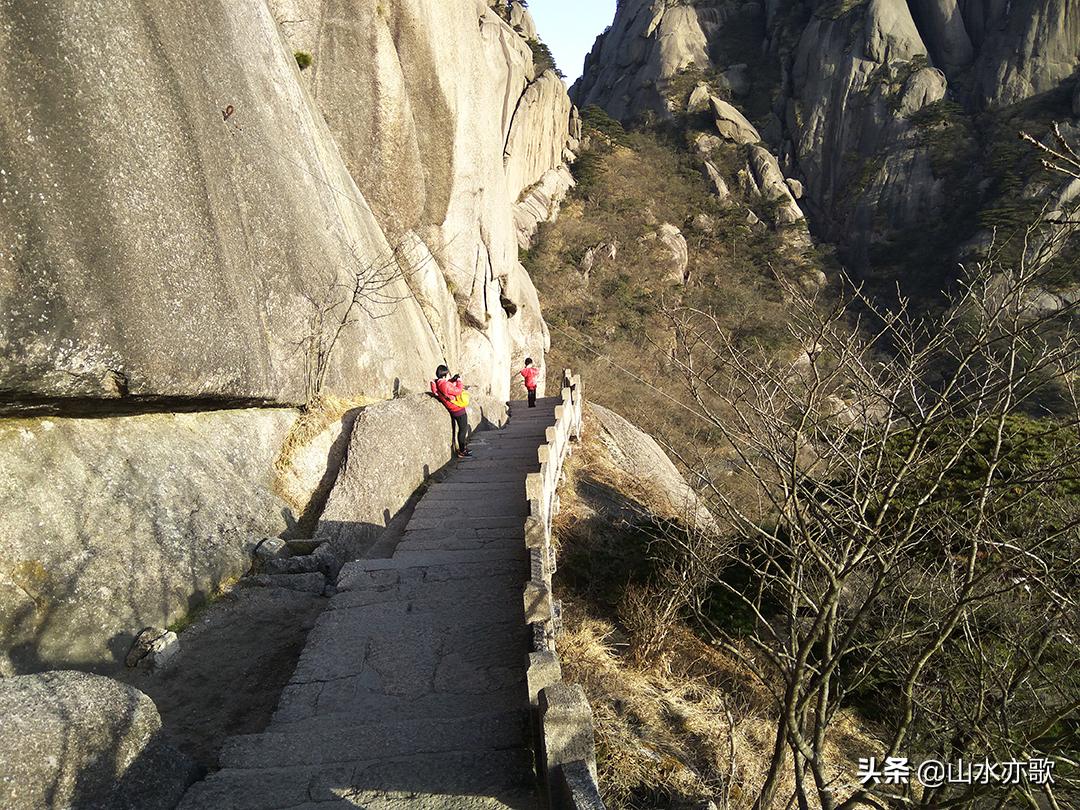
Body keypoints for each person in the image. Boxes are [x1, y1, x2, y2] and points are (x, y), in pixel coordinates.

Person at [432, 364, 471, 457]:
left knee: (461, 429)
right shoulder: (444, 385)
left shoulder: (438, 382)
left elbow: (446, 387)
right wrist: (459, 381)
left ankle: (462, 448)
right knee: (463, 429)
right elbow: (458, 390)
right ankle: (462, 450)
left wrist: (453, 380)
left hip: (453, 409)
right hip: (457, 409)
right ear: (445, 375)